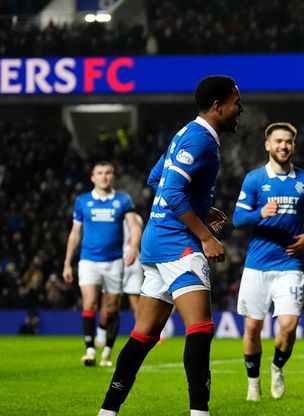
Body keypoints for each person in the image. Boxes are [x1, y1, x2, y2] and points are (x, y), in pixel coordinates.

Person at [97, 75, 244, 416]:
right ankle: (199, 412)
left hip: (155, 240)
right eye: (236, 103)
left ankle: (108, 410)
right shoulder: (201, 140)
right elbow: (174, 192)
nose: (241, 109)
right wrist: (206, 236)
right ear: (217, 107)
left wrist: (203, 208)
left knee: (144, 335)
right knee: (201, 328)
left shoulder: (185, 133)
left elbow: (156, 178)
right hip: (177, 243)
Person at [232, 122, 304, 402]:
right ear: (267, 145)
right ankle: (253, 382)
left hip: (289, 264)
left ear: (293, 145)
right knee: (252, 328)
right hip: (257, 265)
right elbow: (237, 220)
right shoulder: (254, 179)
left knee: (288, 325)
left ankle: (277, 367)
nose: (284, 146)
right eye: (278, 141)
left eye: (288, 142)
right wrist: (260, 213)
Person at [63, 161, 142, 367]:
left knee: (111, 308)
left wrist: (133, 247)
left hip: (115, 261)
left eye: (108, 173)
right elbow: (75, 233)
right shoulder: (83, 201)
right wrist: (67, 263)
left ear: (112, 176)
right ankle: (89, 350)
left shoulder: (123, 200)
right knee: (89, 302)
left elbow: (134, 226)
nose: (104, 176)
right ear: (92, 177)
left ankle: (107, 350)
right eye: (100, 173)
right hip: (88, 260)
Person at [95, 215, 146, 356]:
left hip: (117, 260)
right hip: (135, 259)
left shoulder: (112, 216)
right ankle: (141, 337)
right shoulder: (138, 218)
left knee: (108, 300)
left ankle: (100, 335)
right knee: (136, 303)